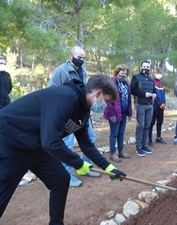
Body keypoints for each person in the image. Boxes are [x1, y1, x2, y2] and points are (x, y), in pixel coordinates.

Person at [0, 74, 127, 225]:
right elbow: (51, 142)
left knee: (60, 180)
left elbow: (86, 144)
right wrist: (78, 164)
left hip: (36, 145)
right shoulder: (65, 98)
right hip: (10, 142)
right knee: (3, 192)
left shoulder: (83, 111)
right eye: (106, 101)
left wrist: (109, 168)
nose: (105, 105)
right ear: (98, 93)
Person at [48, 46, 100, 187]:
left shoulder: (83, 71)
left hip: (82, 113)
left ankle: (85, 169)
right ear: (71, 56)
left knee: (91, 138)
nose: (81, 60)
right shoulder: (61, 71)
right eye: (79, 57)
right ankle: (67, 175)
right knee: (67, 145)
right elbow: (51, 91)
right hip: (67, 116)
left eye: (83, 58)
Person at [103, 64, 132, 163]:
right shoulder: (111, 82)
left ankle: (121, 151)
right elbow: (107, 100)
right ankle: (112, 153)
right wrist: (112, 114)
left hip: (123, 112)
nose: (123, 75)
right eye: (121, 72)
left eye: (125, 73)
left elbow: (128, 99)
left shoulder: (126, 83)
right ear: (117, 72)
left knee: (121, 133)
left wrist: (129, 112)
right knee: (114, 133)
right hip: (114, 113)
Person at [130, 60, 156, 157]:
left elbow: (153, 89)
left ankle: (145, 145)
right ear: (141, 67)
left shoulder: (151, 79)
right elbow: (132, 90)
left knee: (147, 125)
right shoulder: (136, 77)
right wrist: (144, 94)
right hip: (140, 104)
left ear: (150, 68)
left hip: (150, 105)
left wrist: (154, 94)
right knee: (141, 125)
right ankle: (139, 147)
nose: (146, 68)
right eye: (144, 66)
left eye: (147, 67)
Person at [148, 67, 167, 146]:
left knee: (160, 122)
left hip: (161, 106)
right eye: (157, 73)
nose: (159, 74)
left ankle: (158, 137)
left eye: (160, 73)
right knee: (151, 122)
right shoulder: (152, 82)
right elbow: (153, 96)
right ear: (154, 74)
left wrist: (164, 103)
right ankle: (149, 139)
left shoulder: (161, 83)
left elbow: (163, 95)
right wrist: (159, 104)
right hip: (155, 106)